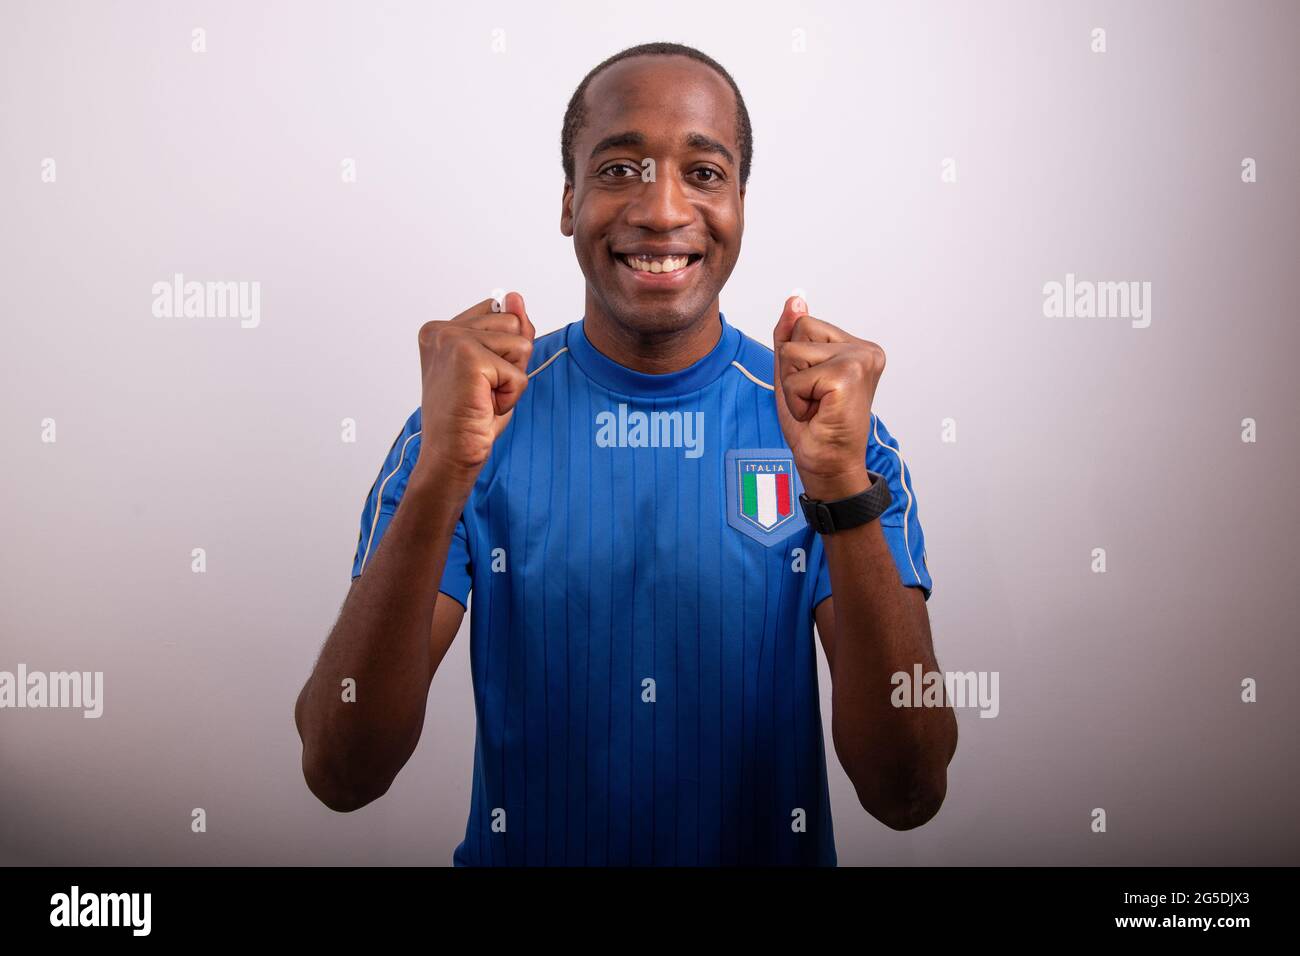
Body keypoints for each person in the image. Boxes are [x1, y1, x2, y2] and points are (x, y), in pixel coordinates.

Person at [294, 41, 956, 866]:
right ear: (568, 201)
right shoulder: (468, 421)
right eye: (618, 170)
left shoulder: (835, 431)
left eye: (705, 173)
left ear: (742, 202)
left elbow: (910, 791)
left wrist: (839, 488)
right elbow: (340, 768)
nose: (661, 209)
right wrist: (443, 473)